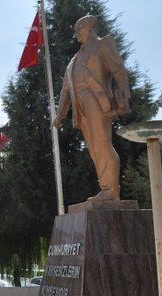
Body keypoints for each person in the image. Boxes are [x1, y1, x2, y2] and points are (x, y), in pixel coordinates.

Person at [52, 14, 131, 202]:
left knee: (102, 143)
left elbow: (118, 70)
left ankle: (111, 191)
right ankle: (106, 188)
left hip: (97, 100)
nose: (76, 34)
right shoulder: (73, 60)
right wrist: (60, 115)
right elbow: (65, 90)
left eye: (79, 30)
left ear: (90, 28)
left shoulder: (103, 44)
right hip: (80, 105)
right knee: (94, 148)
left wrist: (123, 98)